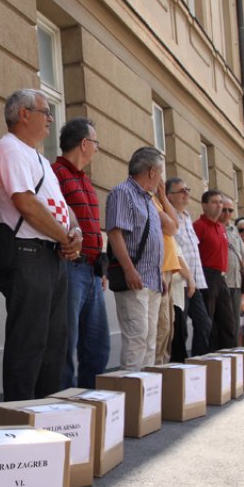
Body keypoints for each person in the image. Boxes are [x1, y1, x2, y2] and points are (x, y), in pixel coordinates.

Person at [0, 89, 82, 401]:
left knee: (54, 341)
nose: (51, 119)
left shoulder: (38, 157)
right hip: (27, 252)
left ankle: (46, 412)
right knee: (28, 341)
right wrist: (64, 237)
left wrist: (76, 232)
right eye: (45, 111)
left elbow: (60, 205)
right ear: (24, 114)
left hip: (51, 254)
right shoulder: (10, 149)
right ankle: (19, 417)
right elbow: (25, 203)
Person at [52, 118, 110, 388]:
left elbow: (93, 228)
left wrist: (101, 267)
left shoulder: (85, 180)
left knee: (98, 346)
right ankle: (65, 405)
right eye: (95, 143)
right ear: (84, 144)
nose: (97, 149)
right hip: (70, 267)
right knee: (66, 343)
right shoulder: (56, 174)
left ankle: (90, 405)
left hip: (92, 271)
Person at [106, 147, 165, 371]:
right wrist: (129, 270)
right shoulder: (123, 193)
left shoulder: (148, 200)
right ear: (151, 171)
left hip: (152, 280)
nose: (160, 178)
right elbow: (114, 233)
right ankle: (130, 397)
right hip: (135, 279)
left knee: (150, 341)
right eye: (159, 172)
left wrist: (160, 276)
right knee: (136, 339)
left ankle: (145, 397)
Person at [165, 178, 212, 356]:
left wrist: (194, 280)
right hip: (180, 281)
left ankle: (199, 364)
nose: (186, 193)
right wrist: (188, 278)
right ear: (169, 196)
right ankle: (180, 369)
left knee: (204, 325)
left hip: (194, 281)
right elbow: (175, 251)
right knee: (180, 330)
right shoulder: (169, 218)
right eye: (181, 191)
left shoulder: (186, 216)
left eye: (187, 189)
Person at [193, 190, 235, 349]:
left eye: (220, 202)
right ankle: (204, 359)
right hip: (206, 275)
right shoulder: (198, 226)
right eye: (214, 202)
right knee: (207, 320)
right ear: (204, 206)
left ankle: (229, 358)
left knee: (227, 320)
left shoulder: (221, 227)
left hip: (221, 276)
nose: (219, 206)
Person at [153, 181, 180, 364]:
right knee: (161, 325)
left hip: (168, 270)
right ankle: (156, 368)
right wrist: (161, 197)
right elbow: (172, 227)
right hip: (159, 270)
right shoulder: (149, 201)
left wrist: (163, 197)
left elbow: (175, 223)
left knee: (168, 327)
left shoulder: (158, 201)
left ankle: (163, 366)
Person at [221, 197, 244, 345]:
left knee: (236, 320)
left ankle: (234, 353)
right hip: (222, 281)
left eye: (230, 210)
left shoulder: (234, 230)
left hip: (236, 282)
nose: (228, 213)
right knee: (224, 321)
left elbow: (242, 254)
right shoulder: (216, 227)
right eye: (225, 209)